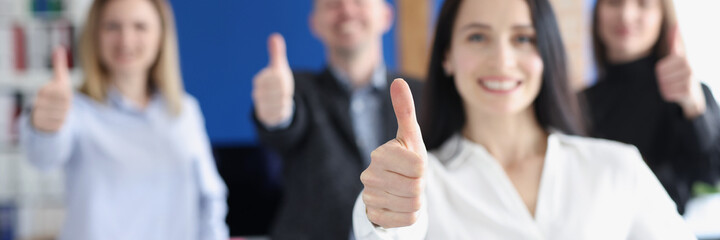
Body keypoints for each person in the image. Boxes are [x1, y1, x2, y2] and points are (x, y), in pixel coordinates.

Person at [352, 0, 696, 238]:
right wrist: (380, 214)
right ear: (447, 56)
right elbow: (384, 230)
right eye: (477, 36)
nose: (502, 60)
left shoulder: (616, 166)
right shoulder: (422, 184)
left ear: (546, 54)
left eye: (523, 38)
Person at [20, 0, 228, 239]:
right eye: (112, 27)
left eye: (140, 26)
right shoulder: (76, 111)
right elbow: (43, 157)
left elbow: (210, 198)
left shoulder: (184, 111)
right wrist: (45, 126)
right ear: (94, 35)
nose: (126, 40)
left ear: (161, 36)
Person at [250, 0, 422, 238]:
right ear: (315, 23)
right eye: (332, 4)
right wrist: (276, 114)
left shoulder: (421, 96)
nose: (346, 10)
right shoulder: (298, 91)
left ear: (386, 16)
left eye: (359, 2)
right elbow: (285, 124)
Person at [583, 0, 720, 214]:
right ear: (597, 12)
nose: (626, 15)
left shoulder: (692, 95)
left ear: (662, 17)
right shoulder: (576, 104)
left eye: (643, 3)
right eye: (614, 2)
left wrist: (694, 112)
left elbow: (710, 175)